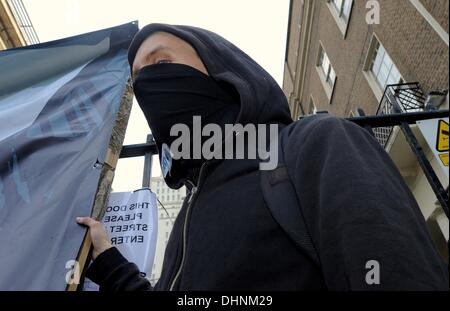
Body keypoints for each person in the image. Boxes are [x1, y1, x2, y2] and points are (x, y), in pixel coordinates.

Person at [76, 23, 449, 291]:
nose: (147, 85)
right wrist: (109, 261)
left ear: (221, 68)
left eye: (159, 64)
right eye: (138, 77)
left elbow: (395, 271)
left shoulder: (312, 144)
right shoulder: (191, 211)